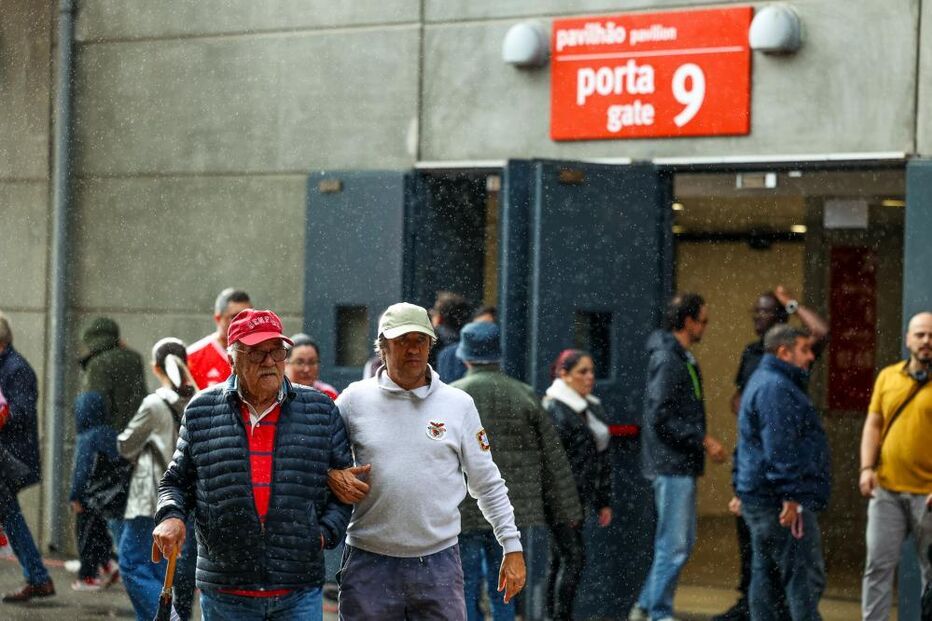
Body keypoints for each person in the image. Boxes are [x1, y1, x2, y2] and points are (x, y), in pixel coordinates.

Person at [152, 309, 354, 621]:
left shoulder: (320, 410)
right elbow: (176, 482)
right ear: (232, 360)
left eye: (277, 351)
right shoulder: (202, 411)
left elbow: (345, 485)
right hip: (226, 589)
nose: (269, 361)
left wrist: (324, 534)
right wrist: (171, 516)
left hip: (297, 588)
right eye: (257, 352)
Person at [334, 302, 526, 620]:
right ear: (382, 347)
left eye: (420, 340)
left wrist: (512, 544)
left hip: (438, 564)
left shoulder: (458, 404)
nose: (413, 349)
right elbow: (321, 458)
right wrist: (332, 474)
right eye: (402, 341)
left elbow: (487, 482)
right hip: (369, 561)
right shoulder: (354, 400)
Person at [452, 322, 582, 621]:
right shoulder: (524, 395)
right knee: (506, 583)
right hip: (510, 507)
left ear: (466, 357)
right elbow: (553, 458)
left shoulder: (453, 397)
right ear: (499, 356)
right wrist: (566, 509)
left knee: (466, 582)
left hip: (465, 506)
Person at [717, 286, 829, 621]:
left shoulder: (766, 379)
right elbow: (780, 447)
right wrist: (791, 496)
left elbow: (749, 442)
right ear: (784, 352)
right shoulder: (776, 388)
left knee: (765, 577)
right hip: (777, 500)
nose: (810, 357)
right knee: (802, 578)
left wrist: (740, 485)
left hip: (761, 495)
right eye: (804, 351)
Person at [630, 293, 727, 621]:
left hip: (675, 463)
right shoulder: (670, 360)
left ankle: (647, 606)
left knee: (676, 543)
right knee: (674, 545)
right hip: (672, 464)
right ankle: (658, 612)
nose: (705, 328)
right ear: (688, 322)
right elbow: (661, 415)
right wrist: (701, 440)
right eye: (703, 321)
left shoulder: (678, 357)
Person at [117, 338, 197, 621]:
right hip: (182, 502)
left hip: (149, 497)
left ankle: (169, 617)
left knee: (132, 564)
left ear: (156, 367)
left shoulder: (154, 404)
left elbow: (126, 445)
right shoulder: (196, 401)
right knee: (163, 570)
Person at [860, 311, 932, 620]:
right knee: (877, 568)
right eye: (920, 334)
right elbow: (873, 424)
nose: (926, 341)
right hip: (887, 491)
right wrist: (866, 468)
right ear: (907, 339)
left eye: (931, 335)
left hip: (928, 497)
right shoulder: (888, 377)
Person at [543, 348, 613, 620]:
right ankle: (560, 616)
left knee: (560, 558)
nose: (589, 377)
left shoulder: (591, 407)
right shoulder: (554, 409)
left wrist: (603, 500)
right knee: (573, 557)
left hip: (580, 495)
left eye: (592, 371)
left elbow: (601, 458)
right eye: (582, 372)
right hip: (561, 500)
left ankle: (554, 615)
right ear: (564, 375)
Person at [0, 312, 55, 603]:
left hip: (12, 457)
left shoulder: (16, 369)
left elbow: (20, 411)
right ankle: (37, 577)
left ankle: (38, 577)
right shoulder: (9, 366)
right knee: (10, 516)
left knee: (10, 515)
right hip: (10, 455)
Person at [68, 391, 122, 591]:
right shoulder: (111, 434)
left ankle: (88, 576)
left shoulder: (86, 438)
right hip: (107, 496)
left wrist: (75, 496)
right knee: (99, 532)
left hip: (88, 496)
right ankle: (109, 562)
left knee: (85, 535)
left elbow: (81, 471)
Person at [186, 287, 252, 389]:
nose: (243, 322)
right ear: (218, 319)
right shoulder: (192, 358)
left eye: (247, 316)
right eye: (235, 317)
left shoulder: (264, 355)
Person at [438, 305, 497, 384]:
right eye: (476, 326)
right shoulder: (449, 355)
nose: (481, 332)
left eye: (487, 326)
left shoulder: (503, 356)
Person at [284, 333, 338, 399]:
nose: (306, 369)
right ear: (285, 365)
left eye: (312, 362)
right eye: (299, 363)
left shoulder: (328, 394)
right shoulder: (277, 395)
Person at [429, 291, 472, 371]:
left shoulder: (432, 340)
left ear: (440, 318)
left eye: (435, 311)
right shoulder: (470, 340)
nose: (432, 313)